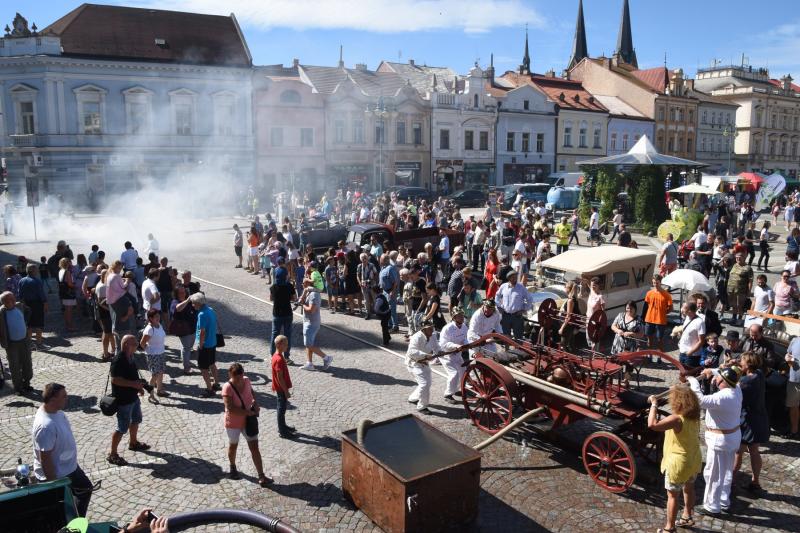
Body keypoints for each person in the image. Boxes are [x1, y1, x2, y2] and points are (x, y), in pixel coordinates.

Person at [683, 366, 743, 516]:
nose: (715, 380)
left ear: (724, 381)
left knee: (713, 473)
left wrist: (693, 382)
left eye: (718, 378)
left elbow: (700, 400)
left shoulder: (723, 396)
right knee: (726, 471)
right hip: (732, 437)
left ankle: (712, 506)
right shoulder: (737, 389)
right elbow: (723, 375)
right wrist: (711, 371)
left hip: (720, 440)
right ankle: (723, 500)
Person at [32, 383, 94, 517]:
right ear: (53, 399)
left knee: (85, 489)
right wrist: (55, 484)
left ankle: (75, 520)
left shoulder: (57, 411)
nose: (67, 398)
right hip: (60, 473)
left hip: (69, 466)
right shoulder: (45, 426)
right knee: (62, 506)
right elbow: (45, 458)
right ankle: (73, 524)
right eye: (64, 396)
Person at [647, 385, 702, 532]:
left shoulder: (677, 419)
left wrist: (654, 404)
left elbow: (652, 424)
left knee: (672, 496)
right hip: (694, 458)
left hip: (679, 463)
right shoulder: (694, 415)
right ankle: (687, 517)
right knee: (689, 489)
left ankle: (669, 529)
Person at [222, 363, 273, 486]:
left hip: (248, 422)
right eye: (236, 377)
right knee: (233, 446)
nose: (239, 380)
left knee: (254, 447)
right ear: (231, 375)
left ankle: (261, 475)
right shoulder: (227, 387)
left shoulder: (247, 380)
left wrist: (255, 402)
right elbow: (230, 408)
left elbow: (251, 392)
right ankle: (233, 467)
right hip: (233, 423)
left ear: (243, 374)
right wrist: (247, 412)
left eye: (240, 376)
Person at [107, 334, 150, 466]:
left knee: (136, 420)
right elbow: (115, 379)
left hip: (133, 397)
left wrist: (139, 388)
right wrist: (134, 385)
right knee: (121, 427)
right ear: (126, 345)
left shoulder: (130, 357)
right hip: (123, 400)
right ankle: (112, 454)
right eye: (134, 344)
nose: (137, 345)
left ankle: (133, 443)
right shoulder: (118, 360)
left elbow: (133, 376)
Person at [733, 352, 770, 494]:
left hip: (747, 420)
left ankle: (731, 482)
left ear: (748, 364)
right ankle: (755, 482)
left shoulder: (746, 382)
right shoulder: (759, 374)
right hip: (759, 418)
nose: (740, 363)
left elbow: (733, 389)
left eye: (742, 361)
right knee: (754, 451)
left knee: (738, 452)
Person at [0, 291, 32, 393]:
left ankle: (26, 383)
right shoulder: (1, 312)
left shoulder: (19, 306)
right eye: (10, 299)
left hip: (24, 341)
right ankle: (18, 388)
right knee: (14, 366)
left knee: (27, 364)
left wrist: (25, 324)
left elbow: (29, 311)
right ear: (4, 302)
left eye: (13, 298)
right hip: (11, 344)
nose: (13, 300)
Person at [406, 319, 440, 414]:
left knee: (427, 383)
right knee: (424, 384)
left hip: (424, 362)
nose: (432, 330)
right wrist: (426, 355)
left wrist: (440, 351)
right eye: (429, 328)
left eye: (432, 327)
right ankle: (422, 406)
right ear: (424, 329)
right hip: (414, 363)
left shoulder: (432, 335)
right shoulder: (416, 337)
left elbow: (436, 346)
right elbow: (411, 352)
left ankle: (413, 398)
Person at [299, 277, 332, 371]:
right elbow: (302, 300)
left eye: (303, 283)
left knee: (308, 344)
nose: (302, 285)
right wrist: (304, 293)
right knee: (309, 343)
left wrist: (303, 305)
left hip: (311, 323)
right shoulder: (309, 292)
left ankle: (326, 358)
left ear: (307, 284)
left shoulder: (314, 294)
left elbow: (311, 310)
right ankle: (309, 363)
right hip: (308, 321)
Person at [191, 292, 220, 397]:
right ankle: (216, 383)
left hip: (205, 345)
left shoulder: (201, 314)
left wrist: (200, 344)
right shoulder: (210, 310)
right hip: (213, 342)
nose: (193, 305)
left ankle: (209, 389)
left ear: (198, 303)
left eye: (194, 303)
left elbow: (202, 331)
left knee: (203, 368)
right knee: (212, 364)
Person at [439, 306, 468, 404]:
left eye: (462, 315)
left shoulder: (464, 326)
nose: (461, 318)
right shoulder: (447, 328)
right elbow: (443, 344)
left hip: (457, 354)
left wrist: (465, 344)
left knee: (463, 371)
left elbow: (465, 338)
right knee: (453, 374)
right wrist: (456, 346)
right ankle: (448, 394)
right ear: (454, 317)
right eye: (459, 316)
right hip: (446, 355)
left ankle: (457, 390)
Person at [269, 262, 296, 364]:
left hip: (277, 313)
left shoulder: (274, 287)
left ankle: (273, 355)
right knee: (287, 335)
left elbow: (271, 298)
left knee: (274, 334)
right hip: (288, 313)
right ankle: (287, 356)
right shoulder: (289, 286)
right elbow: (294, 298)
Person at [494, 270, 532, 340]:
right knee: (505, 337)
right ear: (509, 278)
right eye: (513, 278)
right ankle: (506, 349)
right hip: (505, 316)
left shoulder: (521, 288)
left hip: (517, 317)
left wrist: (524, 310)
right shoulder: (503, 286)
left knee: (518, 337)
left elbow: (529, 299)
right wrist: (499, 306)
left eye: (516, 277)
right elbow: (497, 296)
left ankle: (518, 350)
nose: (515, 279)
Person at [140, 309, 168, 403]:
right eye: (156, 316)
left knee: (160, 372)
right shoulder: (149, 329)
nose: (158, 318)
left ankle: (160, 390)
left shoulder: (159, 325)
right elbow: (142, 343)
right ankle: (151, 394)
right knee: (155, 374)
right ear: (150, 318)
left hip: (161, 353)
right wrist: (149, 350)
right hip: (153, 355)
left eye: (158, 316)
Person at [271, 335, 297, 439]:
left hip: (280, 387)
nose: (287, 346)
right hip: (281, 388)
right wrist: (286, 391)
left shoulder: (277, 355)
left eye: (287, 343)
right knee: (281, 409)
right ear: (278, 345)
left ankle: (283, 426)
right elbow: (280, 377)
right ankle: (282, 431)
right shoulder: (279, 359)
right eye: (285, 344)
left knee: (282, 407)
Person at [170, 284, 198, 375]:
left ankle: (185, 360)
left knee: (188, 347)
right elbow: (178, 308)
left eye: (184, 292)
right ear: (176, 294)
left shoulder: (189, 302)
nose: (183, 294)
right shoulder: (175, 301)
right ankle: (186, 367)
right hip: (183, 329)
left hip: (193, 328)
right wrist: (187, 300)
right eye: (180, 293)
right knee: (187, 348)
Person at [18, 264, 47, 346]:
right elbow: (41, 294)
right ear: (34, 271)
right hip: (37, 304)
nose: (38, 271)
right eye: (37, 269)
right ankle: (39, 343)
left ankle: (28, 344)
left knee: (29, 324)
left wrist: (23, 304)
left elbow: (20, 295)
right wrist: (45, 303)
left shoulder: (22, 280)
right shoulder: (37, 281)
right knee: (39, 324)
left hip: (26, 304)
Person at [644, 275, 672, 353]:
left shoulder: (666, 295)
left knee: (659, 339)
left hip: (661, 320)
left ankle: (660, 356)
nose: (655, 285)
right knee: (649, 338)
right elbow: (646, 306)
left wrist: (663, 312)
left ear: (660, 282)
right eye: (654, 283)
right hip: (649, 319)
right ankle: (649, 354)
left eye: (657, 283)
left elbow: (671, 308)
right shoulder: (649, 293)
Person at [727, 252, 753, 325]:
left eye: (739, 257)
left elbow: (750, 280)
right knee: (733, 305)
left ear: (744, 258)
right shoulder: (734, 265)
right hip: (731, 289)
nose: (738, 259)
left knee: (740, 306)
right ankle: (734, 317)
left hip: (741, 290)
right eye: (736, 257)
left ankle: (740, 319)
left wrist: (749, 291)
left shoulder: (748, 268)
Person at [678, 302, 706, 369]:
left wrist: (690, 352)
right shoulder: (687, 317)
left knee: (689, 375)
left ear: (689, 311)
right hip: (682, 352)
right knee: (682, 373)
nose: (681, 309)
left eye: (683, 308)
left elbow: (701, 341)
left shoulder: (700, 322)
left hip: (692, 355)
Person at [585, 277, 605, 350]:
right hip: (588, 320)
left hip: (595, 323)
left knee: (594, 342)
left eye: (594, 285)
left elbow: (603, 312)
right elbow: (588, 284)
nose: (592, 287)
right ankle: (591, 356)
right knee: (588, 340)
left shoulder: (600, 297)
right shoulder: (591, 292)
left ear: (598, 286)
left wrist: (599, 324)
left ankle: (594, 357)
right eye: (592, 285)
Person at [785, 340, 800, 438]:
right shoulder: (795, 340)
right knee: (793, 406)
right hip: (793, 379)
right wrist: (787, 358)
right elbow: (788, 354)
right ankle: (794, 431)